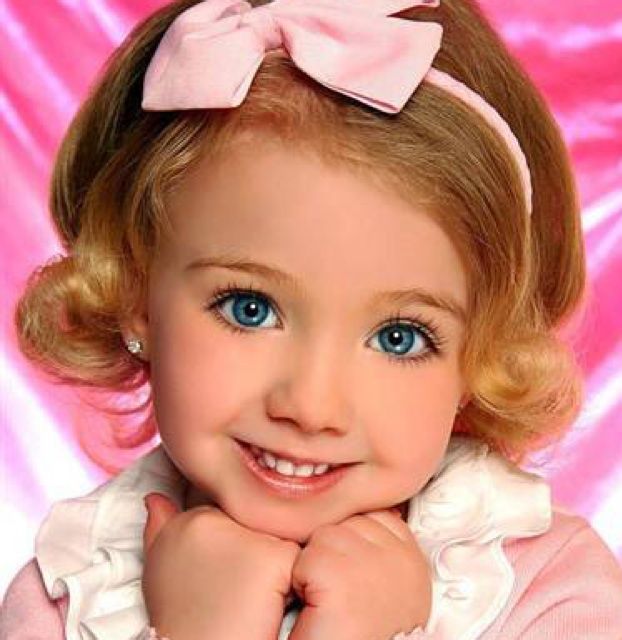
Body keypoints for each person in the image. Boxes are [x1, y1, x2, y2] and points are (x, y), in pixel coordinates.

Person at [2, 0, 622, 638]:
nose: (310, 407)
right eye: (249, 309)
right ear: (136, 296)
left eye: (398, 338)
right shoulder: (68, 594)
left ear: (479, 357)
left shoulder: (553, 591)